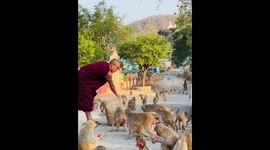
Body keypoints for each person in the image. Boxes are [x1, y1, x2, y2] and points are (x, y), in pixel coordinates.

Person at [78, 58, 121, 124]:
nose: (117, 70)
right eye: (117, 68)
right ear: (112, 65)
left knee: (88, 97)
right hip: (82, 78)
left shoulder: (104, 65)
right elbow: (112, 86)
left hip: (84, 77)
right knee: (87, 98)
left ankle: (90, 118)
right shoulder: (107, 72)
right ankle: (89, 120)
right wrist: (117, 95)